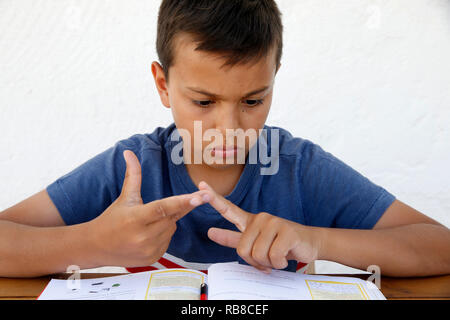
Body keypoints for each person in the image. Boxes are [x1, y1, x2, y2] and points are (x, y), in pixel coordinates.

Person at [1, 0, 449, 278]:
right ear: (163, 85)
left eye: (253, 101)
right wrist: (91, 244)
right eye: (203, 102)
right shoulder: (133, 167)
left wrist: (315, 241)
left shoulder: (298, 168)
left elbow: (438, 244)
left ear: (274, 79)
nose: (230, 127)